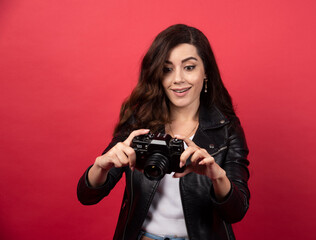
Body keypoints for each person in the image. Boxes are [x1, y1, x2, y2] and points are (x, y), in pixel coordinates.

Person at [77, 24, 250, 240]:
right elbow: (87, 196)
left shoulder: (227, 128)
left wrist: (217, 176)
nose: (178, 78)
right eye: (167, 69)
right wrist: (100, 166)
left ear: (206, 71)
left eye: (189, 67)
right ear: (158, 74)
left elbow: (236, 211)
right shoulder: (139, 122)